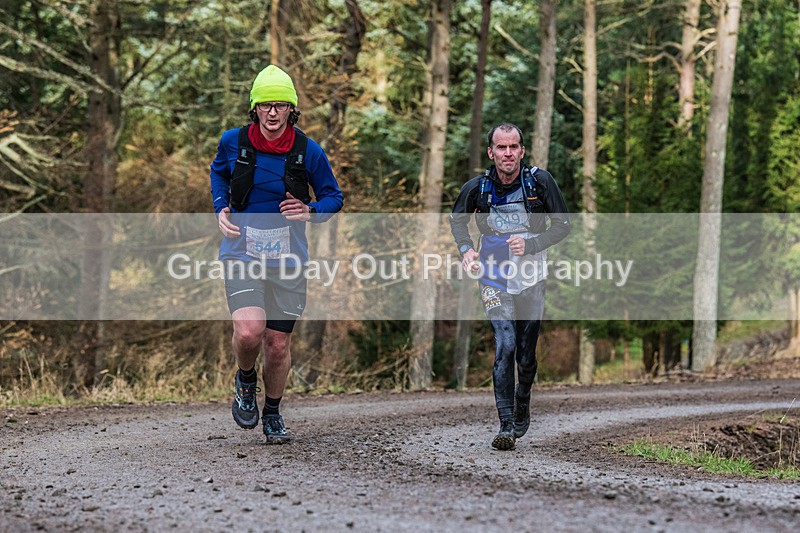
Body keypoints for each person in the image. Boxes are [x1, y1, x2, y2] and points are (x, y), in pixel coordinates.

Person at [209, 65, 343, 443]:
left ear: (291, 109)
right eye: (265, 105)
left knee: (278, 342)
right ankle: (245, 378)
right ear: (255, 108)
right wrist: (220, 205)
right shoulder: (232, 141)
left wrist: (311, 211)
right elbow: (218, 173)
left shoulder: (308, 151)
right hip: (241, 252)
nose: (272, 113)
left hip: (289, 259)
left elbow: (334, 196)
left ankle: (272, 413)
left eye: (280, 106)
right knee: (250, 332)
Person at [449, 123, 570, 451]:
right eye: (501, 148)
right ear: (490, 152)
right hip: (493, 274)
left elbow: (563, 225)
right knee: (505, 343)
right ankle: (505, 425)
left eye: (513, 147)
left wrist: (531, 246)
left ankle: (522, 403)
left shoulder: (540, 182)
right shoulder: (477, 187)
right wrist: (466, 250)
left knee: (526, 355)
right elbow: (457, 221)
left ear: (522, 150)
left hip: (531, 276)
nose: (507, 154)